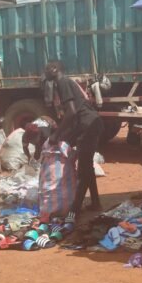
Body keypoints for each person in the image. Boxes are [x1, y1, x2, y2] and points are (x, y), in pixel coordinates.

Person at [44, 61, 104, 221]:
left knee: (83, 170)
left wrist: (57, 134)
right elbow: (73, 113)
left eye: (47, 69)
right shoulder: (65, 82)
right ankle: (96, 203)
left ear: (55, 69)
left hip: (88, 125)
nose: (45, 72)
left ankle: (74, 211)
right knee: (87, 165)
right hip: (90, 123)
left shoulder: (62, 82)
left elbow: (70, 112)